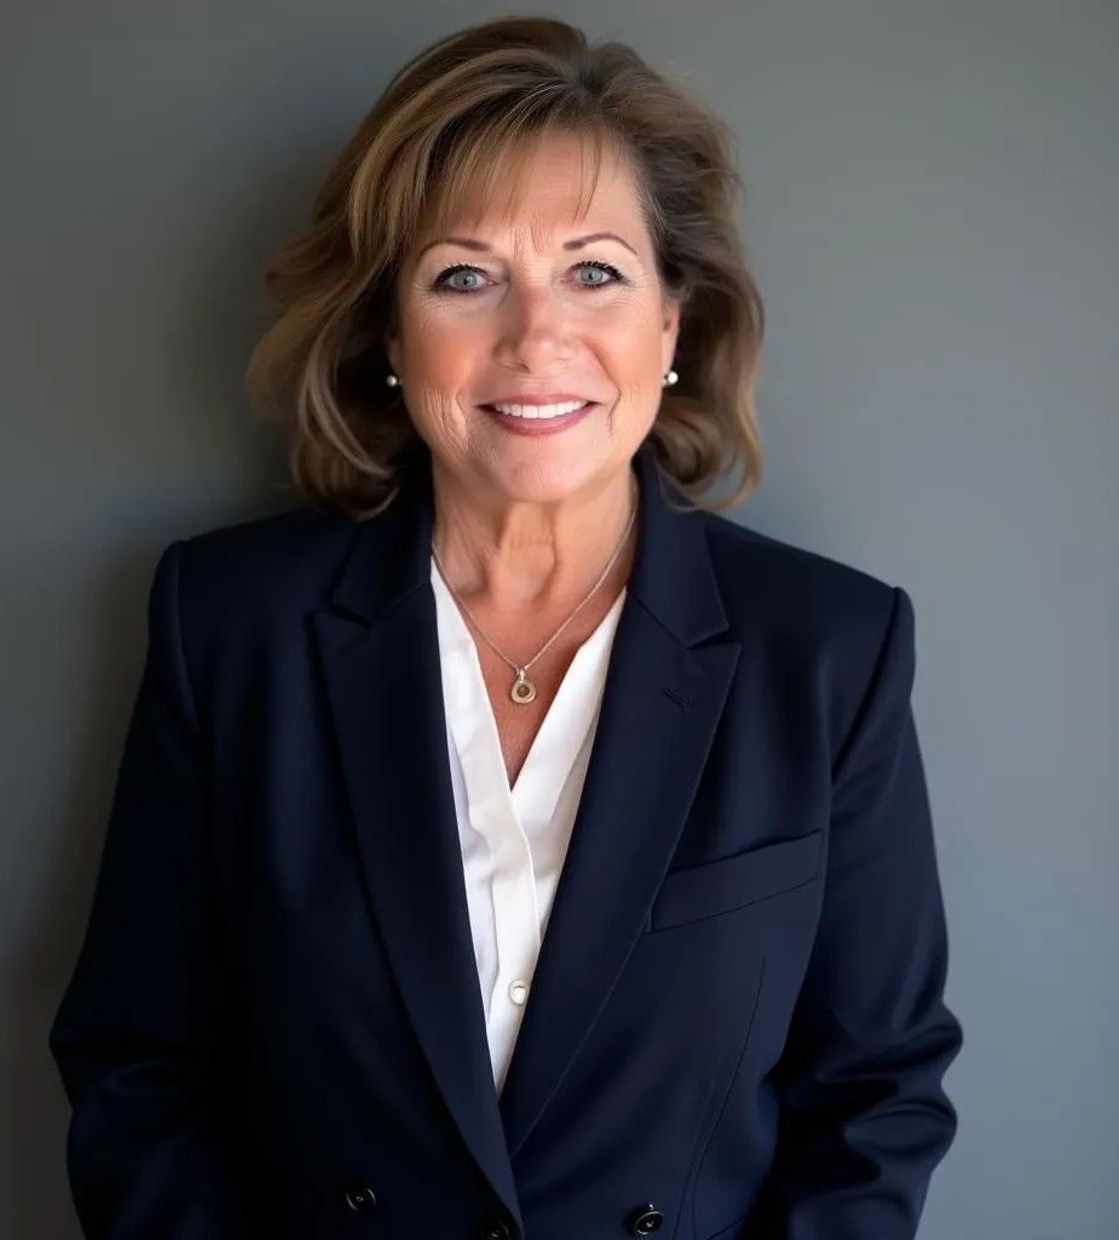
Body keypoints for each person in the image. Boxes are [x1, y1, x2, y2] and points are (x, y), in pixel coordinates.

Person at [48, 15, 963, 1239]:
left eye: (594, 271)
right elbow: (137, 1061)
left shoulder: (829, 652)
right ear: (388, 333)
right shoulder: (230, 628)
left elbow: (875, 1094)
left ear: (671, 327)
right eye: (464, 276)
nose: (537, 340)